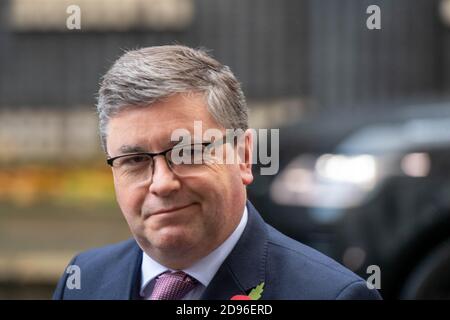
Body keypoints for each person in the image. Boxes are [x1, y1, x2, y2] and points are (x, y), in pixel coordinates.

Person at [53, 45, 381, 300]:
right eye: (135, 160)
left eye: (188, 152)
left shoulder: (330, 295)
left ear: (243, 155)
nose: (162, 183)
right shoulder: (82, 280)